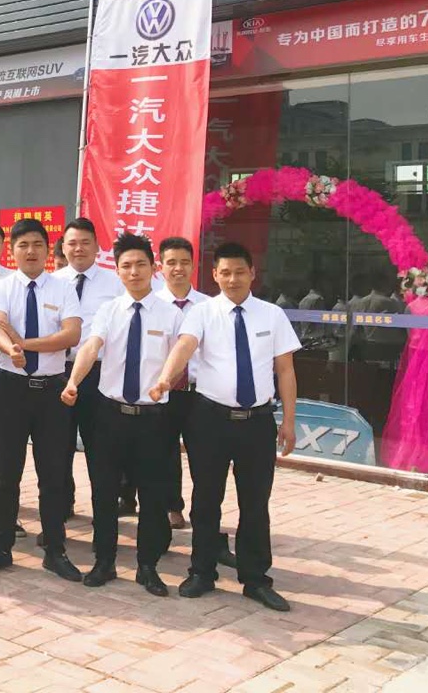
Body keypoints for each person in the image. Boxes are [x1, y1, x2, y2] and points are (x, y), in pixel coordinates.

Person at [152, 242, 300, 612]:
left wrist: (289, 421)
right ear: (215, 275)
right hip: (210, 420)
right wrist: (166, 379)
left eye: (240, 272)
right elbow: (184, 347)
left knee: (255, 502)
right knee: (206, 499)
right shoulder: (202, 313)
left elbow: (285, 370)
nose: (233, 279)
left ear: (252, 274)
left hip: (257, 422)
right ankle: (202, 572)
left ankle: (256, 579)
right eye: (225, 272)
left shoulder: (272, 315)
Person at [62, 233, 184, 597]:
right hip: (110, 415)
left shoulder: (171, 313)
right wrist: (73, 381)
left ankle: (147, 566)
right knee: (104, 492)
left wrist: (166, 380)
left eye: (140, 265)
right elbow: (91, 347)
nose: (133, 272)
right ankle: (104, 561)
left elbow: (180, 355)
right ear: (117, 271)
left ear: (153, 268)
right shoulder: (109, 310)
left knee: (152, 494)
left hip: (154, 418)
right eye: (126, 266)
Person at [0, 218, 83, 580]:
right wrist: (10, 349)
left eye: (38, 244)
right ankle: (1, 546)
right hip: (11, 388)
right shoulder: (2, 287)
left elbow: (71, 334)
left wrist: (25, 344)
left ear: (48, 250)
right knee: (6, 474)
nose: (31, 251)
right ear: (12, 251)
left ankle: (55, 549)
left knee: (52, 474)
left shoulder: (63, 288)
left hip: (52, 390)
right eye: (23, 245)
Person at [55, 217, 124, 523]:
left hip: (99, 374)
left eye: (85, 242)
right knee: (58, 447)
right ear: (63, 248)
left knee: (102, 449)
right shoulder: (52, 283)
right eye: (72, 243)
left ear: (97, 246)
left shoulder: (116, 283)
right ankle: (61, 507)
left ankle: (104, 515)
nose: (78, 248)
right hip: (58, 371)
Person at [152, 236, 210, 530]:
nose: (178, 268)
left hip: (200, 393)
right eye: (171, 262)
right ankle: (171, 507)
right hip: (162, 392)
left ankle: (205, 515)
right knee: (163, 453)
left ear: (193, 265)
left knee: (204, 457)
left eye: (184, 262)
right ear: (159, 266)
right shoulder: (150, 304)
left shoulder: (209, 306)